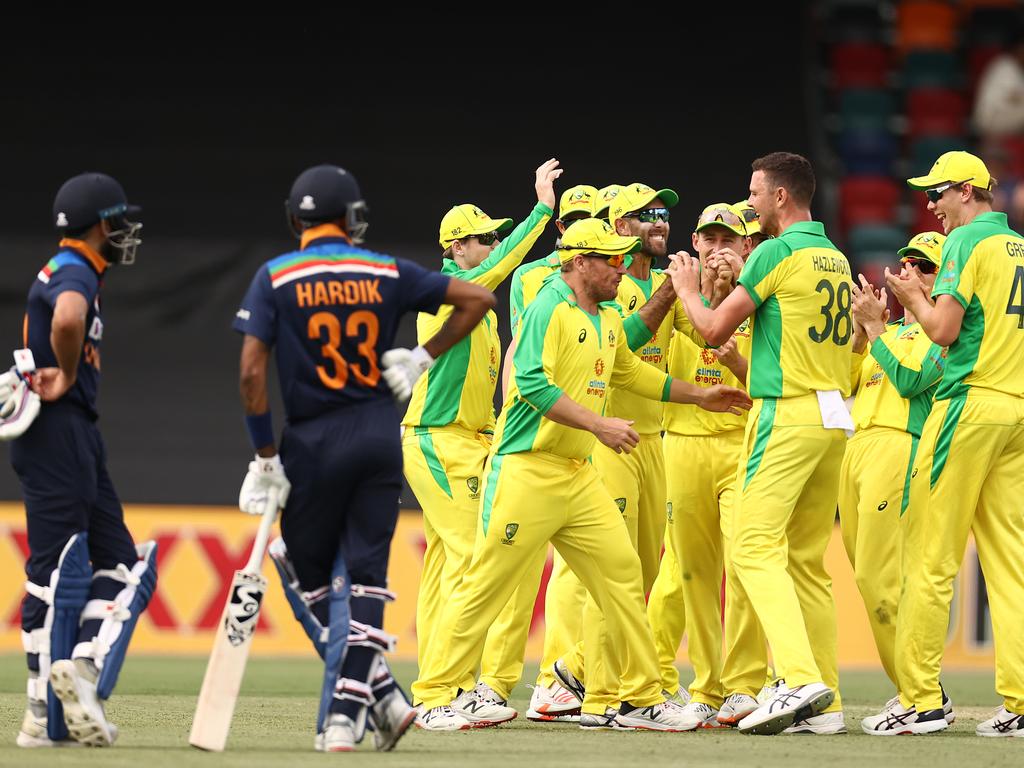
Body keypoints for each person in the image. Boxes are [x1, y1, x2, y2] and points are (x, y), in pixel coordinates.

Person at [412, 217, 751, 732]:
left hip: (576, 472)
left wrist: (700, 395)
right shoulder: (548, 304)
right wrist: (600, 424)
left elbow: (629, 372)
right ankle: (434, 695)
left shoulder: (608, 312)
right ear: (578, 262)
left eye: (622, 257)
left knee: (622, 577)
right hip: (526, 469)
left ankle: (639, 699)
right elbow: (529, 384)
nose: (621, 267)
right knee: (485, 584)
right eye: (610, 259)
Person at [232, 163, 495, 752]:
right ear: (349, 218)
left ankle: (351, 710)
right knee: (370, 580)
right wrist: (422, 356)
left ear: (295, 218)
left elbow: (251, 370)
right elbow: (477, 298)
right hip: (379, 437)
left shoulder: (274, 276)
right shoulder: (385, 268)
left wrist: (264, 456)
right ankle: (374, 697)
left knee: (312, 576)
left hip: (312, 441)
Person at [668, 152, 852, 735]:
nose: (749, 202)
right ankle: (829, 705)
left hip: (787, 412)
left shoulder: (775, 250)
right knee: (804, 563)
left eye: (754, 192)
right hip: (832, 414)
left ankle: (797, 678)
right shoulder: (836, 256)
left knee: (750, 547)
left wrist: (688, 288)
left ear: (780, 197)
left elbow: (713, 328)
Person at [863, 151, 1024, 737]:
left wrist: (909, 301)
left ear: (966, 189)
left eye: (937, 194)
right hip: (1017, 409)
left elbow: (942, 331)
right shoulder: (1018, 245)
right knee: (1010, 566)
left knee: (928, 560)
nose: (931, 206)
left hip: (968, 406)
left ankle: (921, 698)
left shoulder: (962, 243)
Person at [402, 159, 561, 726]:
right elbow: (502, 264)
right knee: (479, 556)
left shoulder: (480, 309)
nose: (492, 243)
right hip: (437, 440)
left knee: (448, 566)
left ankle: (442, 684)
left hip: (470, 441)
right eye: (484, 238)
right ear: (456, 248)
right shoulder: (448, 292)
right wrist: (543, 209)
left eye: (496, 234)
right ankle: (439, 694)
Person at [8, 173, 155, 748]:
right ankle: (41, 716)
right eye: (118, 222)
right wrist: (67, 374)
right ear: (100, 224)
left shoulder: (73, 268)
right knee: (52, 575)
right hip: (56, 432)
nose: (123, 233)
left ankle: (83, 673)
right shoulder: (75, 268)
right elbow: (67, 318)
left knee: (119, 565)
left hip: (73, 436)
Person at [647, 203, 771, 730]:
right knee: (695, 571)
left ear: (747, 245)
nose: (718, 246)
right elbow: (653, 350)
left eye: (730, 238)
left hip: (743, 442)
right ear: (694, 244)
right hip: (684, 443)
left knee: (746, 565)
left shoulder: (760, 292)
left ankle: (745, 684)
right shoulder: (678, 293)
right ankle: (707, 685)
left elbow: (773, 369)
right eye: (709, 237)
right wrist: (682, 289)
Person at [842, 232, 949, 723]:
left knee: (880, 581)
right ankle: (918, 691)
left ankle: (920, 695)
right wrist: (863, 334)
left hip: (901, 449)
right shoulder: (891, 332)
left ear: (942, 279)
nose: (910, 271)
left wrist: (876, 333)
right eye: (906, 262)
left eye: (924, 267)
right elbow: (845, 381)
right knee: (870, 580)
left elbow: (909, 383)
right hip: (858, 446)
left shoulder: (945, 335)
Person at [505, 182, 598, 722]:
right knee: (513, 572)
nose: (585, 222)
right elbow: (528, 358)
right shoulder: (533, 278)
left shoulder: (610, 282)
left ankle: (579, 677)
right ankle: (514, 682)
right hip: (543, 430)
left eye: (594, 216)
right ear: (561, 228)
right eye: (576, 216)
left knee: (609, 568)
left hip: (587, 434)